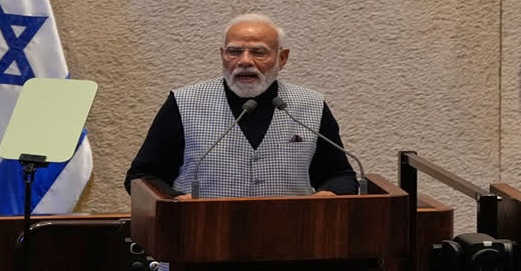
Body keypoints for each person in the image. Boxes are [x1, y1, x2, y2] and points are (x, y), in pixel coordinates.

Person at [124, 13, 359, 198]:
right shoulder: (184, 102)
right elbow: (141, 176)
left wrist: (329, 194)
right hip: (199, 241)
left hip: (289, 242)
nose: (245, 61)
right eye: (234, 51)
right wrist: (172, 199)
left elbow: (340, 175)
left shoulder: (310, 105)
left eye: (259, 52)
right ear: (222, 55)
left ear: (282, 58)